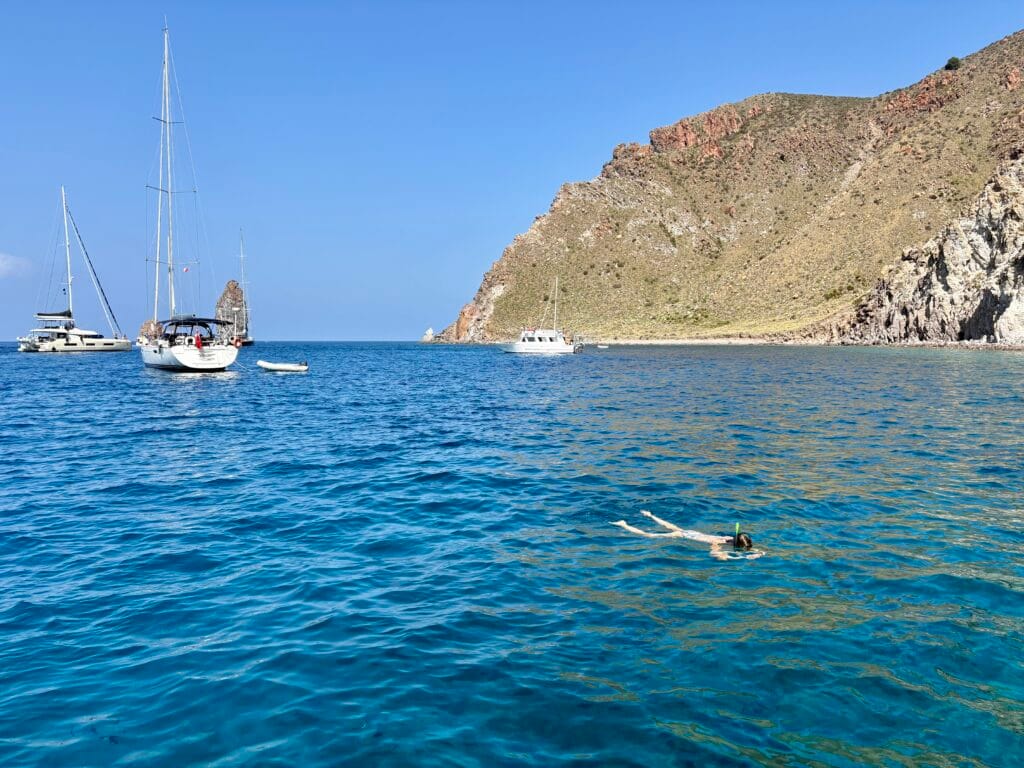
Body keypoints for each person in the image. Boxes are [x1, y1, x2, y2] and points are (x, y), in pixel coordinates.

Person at [612, 510, 762, 561]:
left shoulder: (728, 538)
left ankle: (650, 515)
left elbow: (747, 548)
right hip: (684, 536)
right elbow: (715, 554)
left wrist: (757, 552)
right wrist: (728, 557)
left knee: (671, 526)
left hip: (692, 533)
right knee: (649, 535)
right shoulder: (719, 543)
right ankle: (624, 524)